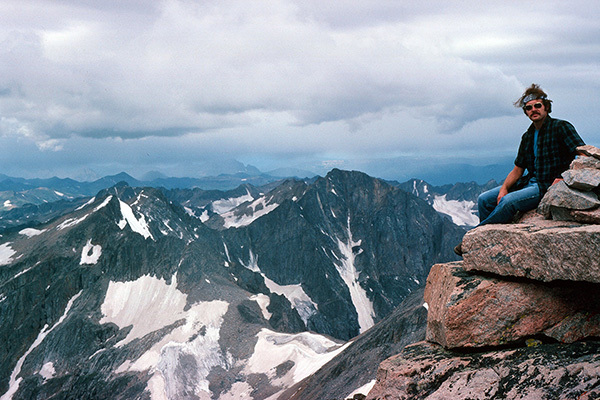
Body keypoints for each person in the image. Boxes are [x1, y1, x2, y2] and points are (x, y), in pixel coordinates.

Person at [455, 84, 585, 256]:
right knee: (484, 199)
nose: (534, 110)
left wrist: (563, 177)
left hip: (545, 186)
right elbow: (518, 169)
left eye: (537, 106)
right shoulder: (528, 135)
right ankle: (488, 247)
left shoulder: (561, 127)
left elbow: (582, 153)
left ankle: (473, 238)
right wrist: (504, 188)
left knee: (509, 202)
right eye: (529, 108)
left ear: (546, 107)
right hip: (528, 182)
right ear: (526, 112)